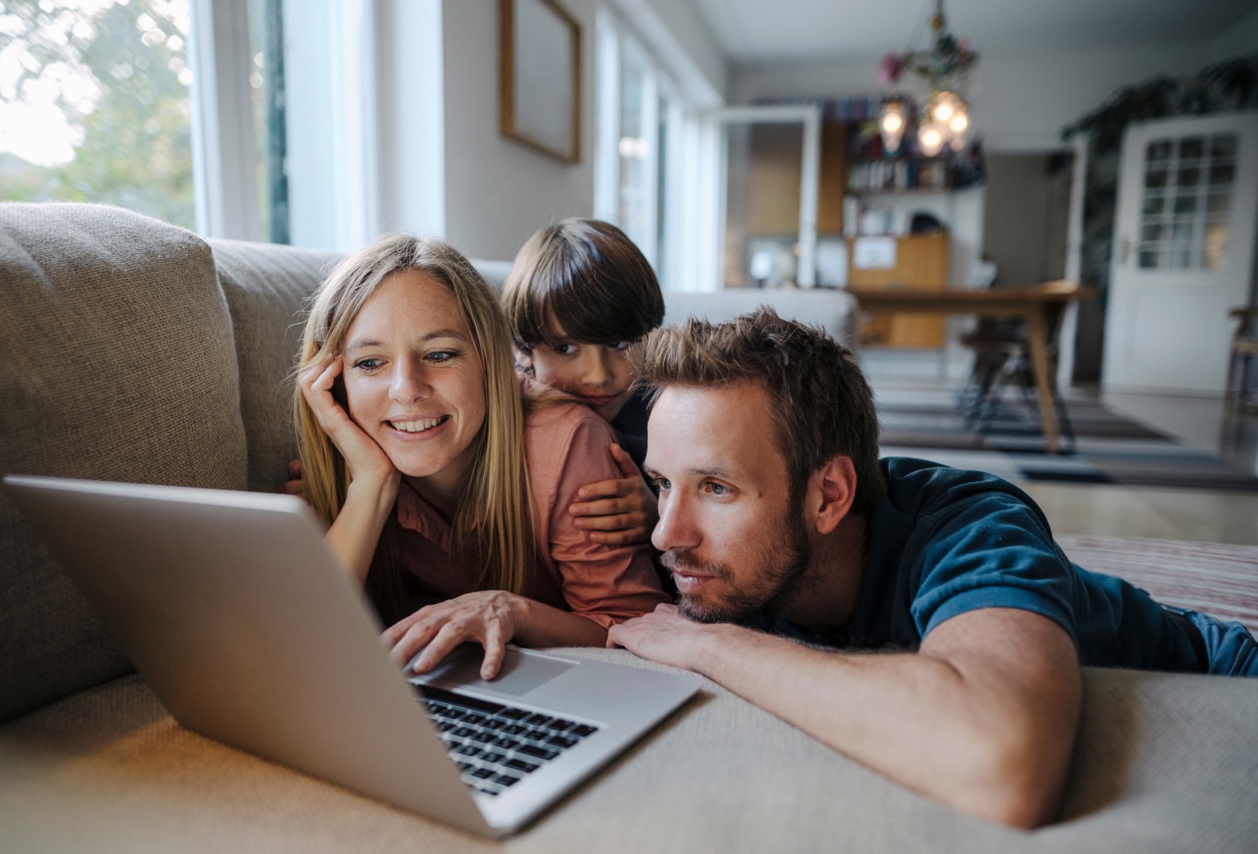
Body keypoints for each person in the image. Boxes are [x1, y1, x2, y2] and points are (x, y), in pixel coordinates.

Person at [607, 308, 1258, 830]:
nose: (667, 532)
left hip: (1220, 681)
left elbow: (1001, 764)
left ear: (829, 495)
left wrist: (707, 643)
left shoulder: (970, 525)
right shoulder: (719, 553)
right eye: (662, 482)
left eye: (716, 488)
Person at [295, 234, 669, 680]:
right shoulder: (350, 452)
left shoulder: (574, 440)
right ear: (335, 382)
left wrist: (513, 610)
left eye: (439, 354)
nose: (407, 390)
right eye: (370, 363)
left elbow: (636, 633)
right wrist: (370, 487)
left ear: (492, 360)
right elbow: (299, 652)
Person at [501, 217, 664, 548]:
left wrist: (660, 517)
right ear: (522, 350)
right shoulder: (504, 425)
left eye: (619, 344)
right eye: (565, 348)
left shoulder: (670, 416)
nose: (598, 375)